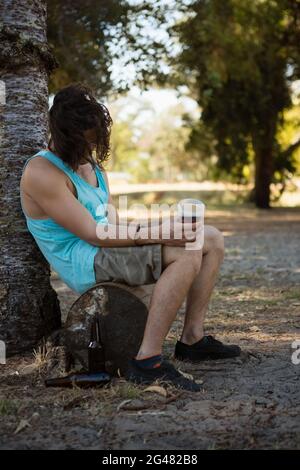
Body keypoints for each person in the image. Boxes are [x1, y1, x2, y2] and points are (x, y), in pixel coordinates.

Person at [20, 84, 241, 392]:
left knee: (211, 238)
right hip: (84, 260)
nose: (88, 152)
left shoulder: (92, 166)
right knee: (187, 250)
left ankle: (192, 339)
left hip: (104, 247)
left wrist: (160, 228)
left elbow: (110, 220)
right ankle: (147, 362)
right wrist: (161, 234)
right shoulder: (42, 172)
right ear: (61, 134)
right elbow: (93, 233)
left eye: (93, 143)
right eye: (82, 144)